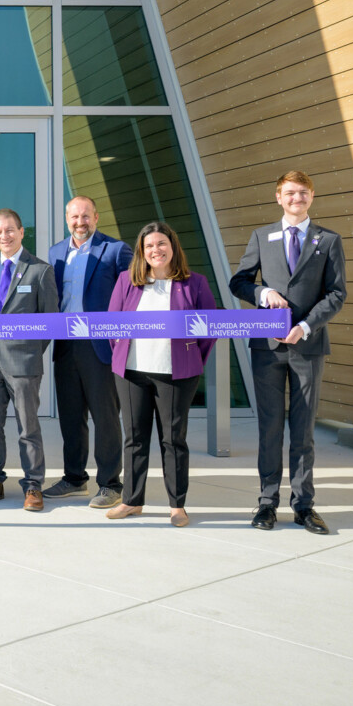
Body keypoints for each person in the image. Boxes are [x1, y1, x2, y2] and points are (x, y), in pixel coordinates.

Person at [230, 170, 346, 535]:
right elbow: (240, 282)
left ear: (312, 196)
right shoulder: (262, 236)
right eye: (290, 193)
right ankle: (267, 503)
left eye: (303, 193)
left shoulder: (328, 240)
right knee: (269, 429)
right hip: (267, 347)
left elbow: (336, 293)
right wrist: (264, 294)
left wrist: (306, 326)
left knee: (303, 430)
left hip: (308, 346)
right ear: (278, 197)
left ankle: (304, 505)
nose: (297, 198)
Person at [105, 222, 217, 527]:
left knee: (173, 440)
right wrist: (123, 356)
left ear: (173, 247)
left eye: (161, 244)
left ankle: (177, 505)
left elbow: (209, 331)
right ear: (142, 252)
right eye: (149, 246)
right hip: (132, 373)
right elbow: (113, 326)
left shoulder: (195, 283)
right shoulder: (126, 281)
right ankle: (131, 500)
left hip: (176, 374)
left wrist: (191, 359)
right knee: (135, 439)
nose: (156, 250)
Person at [45, 195, 133, 510]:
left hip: (101, 345)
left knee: (105, 416)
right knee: (71, 416)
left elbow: (134, 292)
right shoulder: (56, 252)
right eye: (74, 217)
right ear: (67, 219)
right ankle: (74, 479)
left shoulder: (116, 250)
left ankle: (111, 484)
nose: (80, 223)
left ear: (96, 217)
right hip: (66, 343)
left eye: (85, 216)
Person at [0, 210, 58, 510]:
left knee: (27, 428)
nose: (4, 236)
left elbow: (49, 323)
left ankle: (34, 486)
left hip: (23, 363)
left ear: (22, 232)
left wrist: (30, 352)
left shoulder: (40, 270)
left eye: (9, 230)